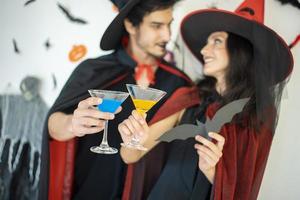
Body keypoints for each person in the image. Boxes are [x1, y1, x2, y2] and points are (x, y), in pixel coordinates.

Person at [118, 9, 294, 199]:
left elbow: (243, 190)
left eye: (216, 41)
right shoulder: (188, 98)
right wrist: (131, 139)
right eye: (206, 43)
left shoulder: (260, 114)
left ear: (240, 49)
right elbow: (131, 156)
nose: (203, 51)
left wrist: (212, 171)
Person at [38, 0, 198, 199]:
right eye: (156, 26)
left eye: (169, 25)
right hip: (90, 191)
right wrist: (72, 123)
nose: (167, 35)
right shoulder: (94, 70)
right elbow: (53, 126)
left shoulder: (179, 83)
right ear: (131, 25)